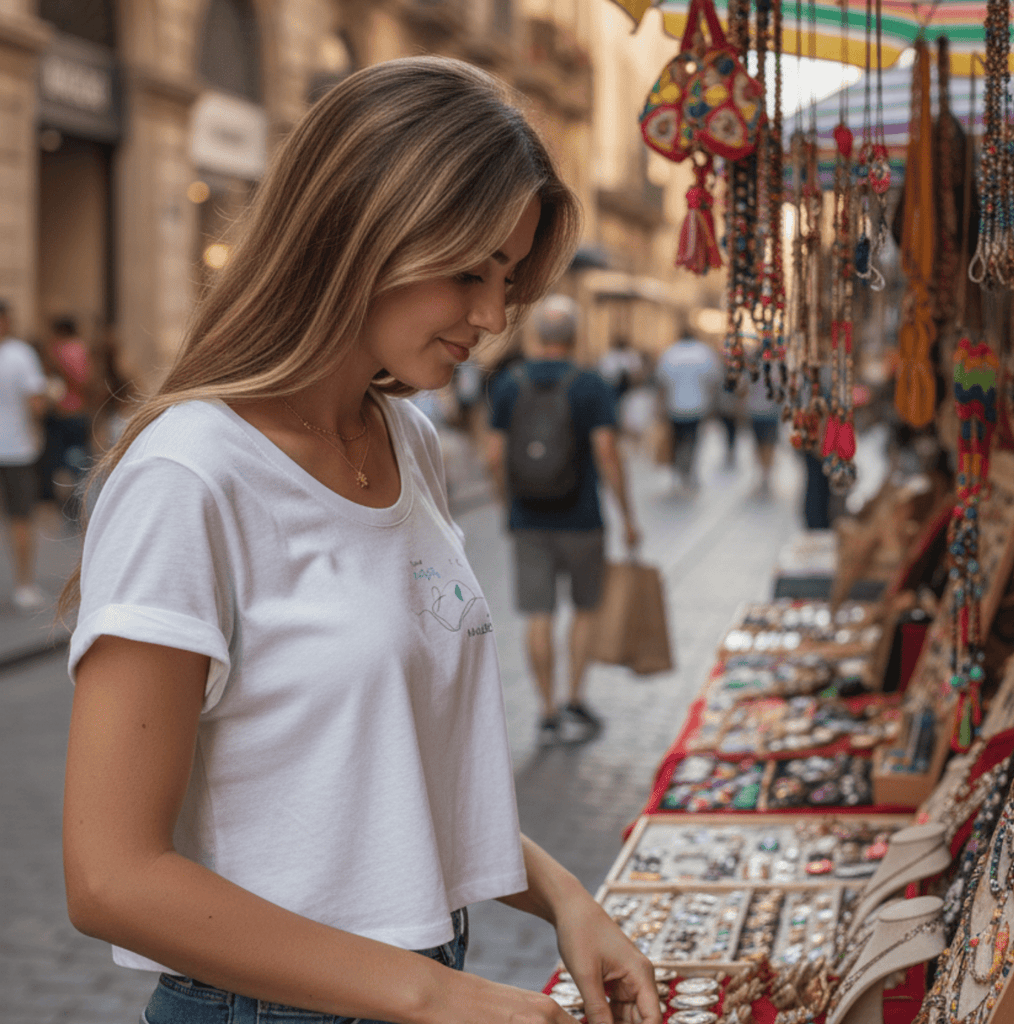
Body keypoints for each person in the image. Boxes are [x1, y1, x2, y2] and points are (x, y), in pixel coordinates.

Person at [60, 57, 658, 1024]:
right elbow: (110, 876)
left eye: (507, 277)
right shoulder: (191, 475)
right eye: (467, 270)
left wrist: (564, 901)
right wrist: (434, 996)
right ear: (357, 231)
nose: (492, 317)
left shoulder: (405, 440)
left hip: (414, 983)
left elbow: (393, 776)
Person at [486, 295, 641, 747]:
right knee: (584, 610)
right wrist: (627, 515)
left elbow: (494, 454)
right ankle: (576, 696)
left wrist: (505, 505)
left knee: (539, 614)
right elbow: (607, 452)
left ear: (537, 336)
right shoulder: (591, 384)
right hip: (582, 519)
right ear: (575, 336)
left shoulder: (509, 383)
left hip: (528, 519)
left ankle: (547, 710)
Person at [0, 301, 49, 612]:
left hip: (16, 448)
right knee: (20, 518)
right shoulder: (20, 354)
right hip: (16, 449)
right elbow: (36, 404)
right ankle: (24, 585)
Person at [40, 315, 93, 509]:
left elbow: (80, 382)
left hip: (68, 412)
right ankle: (75, 499)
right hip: (73, 412)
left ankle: (71, 501)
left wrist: (56, 363)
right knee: (74, 459)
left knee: (65, 459)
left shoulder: (68, 350)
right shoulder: (81, 349)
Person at [656, 334, 721, 490]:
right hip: (697, 405)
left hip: (674, 406)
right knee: (693, 440)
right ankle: (689, 470)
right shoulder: (704, 352)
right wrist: (710, 403)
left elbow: (662, 382)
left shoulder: (669, 353)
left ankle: (679, 471)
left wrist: (661, 406)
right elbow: (714, 379)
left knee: (677, 440)